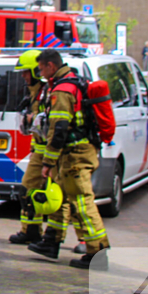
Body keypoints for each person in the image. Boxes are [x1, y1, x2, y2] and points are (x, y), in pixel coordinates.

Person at [27, 49, 110, 270]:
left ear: (51, 66)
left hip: (75, 155)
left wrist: (47, 162)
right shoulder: (72, 82)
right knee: (65, 200)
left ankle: (97, 252)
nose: (40, 73)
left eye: (42, 68)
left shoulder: (62, 90)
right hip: (73, 154)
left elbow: (59, 128)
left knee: (82, 203)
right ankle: (54, 241)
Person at [9, 50, 47, 245]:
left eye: (26, 72)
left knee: (66, 198)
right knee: (28, 189)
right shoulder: (35, 93)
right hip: (41, 152)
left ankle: (56, 237)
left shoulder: (47, 93)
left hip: (52, 154)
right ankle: (32, 231)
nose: (23, 76)